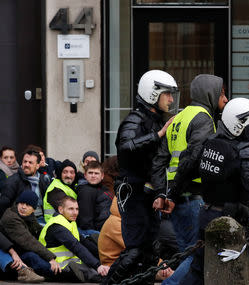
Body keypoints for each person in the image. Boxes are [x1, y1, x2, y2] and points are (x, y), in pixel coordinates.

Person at [173, 97, 249, 284]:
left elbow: (185, 169)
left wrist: (171, 195)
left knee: (196, 272)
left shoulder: (210, 142)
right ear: (238, 125)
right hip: (233, 221)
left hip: (207, 215)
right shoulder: (243, 149)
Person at [104, 70, 179, 284]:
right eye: (167, 94)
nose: (171, 99)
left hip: (148, 195)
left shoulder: (155, 120)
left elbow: (156, 164)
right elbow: (125, 147)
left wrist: (160, 192)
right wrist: (158, 135)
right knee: (135, 250)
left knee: (150, 253)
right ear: (153, 93)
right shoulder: (135, 120)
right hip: (133, 193)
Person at [152, 74, 228, 253]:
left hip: (177, 196)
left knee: (187, 251)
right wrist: (171, 194)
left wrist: (163, 193)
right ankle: (170, 283)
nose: (225, 99)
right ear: (209, 94)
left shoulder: (178, 117)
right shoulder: (204, 119)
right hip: (193, 195)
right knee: (196, 254)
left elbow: (159, 161)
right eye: (221, 94)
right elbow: (194, 160)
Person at [39, 196, 109, 282]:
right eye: (71, 209)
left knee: (95, 264)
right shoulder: (57, 226)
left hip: (72, 261)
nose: (75, 212)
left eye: (77, 209)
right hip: (58, 265)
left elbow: (83, 242)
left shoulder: (70, 222)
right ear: (60, 210)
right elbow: (76, 246)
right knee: (96, 274)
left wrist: (103, 257)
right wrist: (98, 265)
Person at [0, 191, 61, 278]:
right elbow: (28, 241)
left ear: (34, 209)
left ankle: (62, 272)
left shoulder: (29, 216)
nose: (23, 207)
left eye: (28, 205)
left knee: (36, 257)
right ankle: (62, 274)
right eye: (21, 203)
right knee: (34, 258)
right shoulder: (11, 217)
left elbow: (39, 230)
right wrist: (50, 258)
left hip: (20, 250)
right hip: (10, 253)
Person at [0, 150, 50, 220]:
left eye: (30, 162)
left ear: (37, 166)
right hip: (21, 221)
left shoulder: (44, 179)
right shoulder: (12, 181)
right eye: (25, 161)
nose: (26, 165)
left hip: (42, 218)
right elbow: (4, 205)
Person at [76, 161, 113, 236]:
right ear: (85, 175)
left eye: (96, 173)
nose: (93, 176)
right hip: (94, 233)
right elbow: (85, 221)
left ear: (102, 176)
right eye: (90, 173)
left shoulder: (104, 189)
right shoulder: (85, 191)